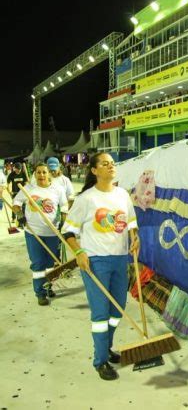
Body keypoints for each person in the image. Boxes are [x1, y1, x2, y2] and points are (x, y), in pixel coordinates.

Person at [61, 153, 139, 381]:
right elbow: (69, 232)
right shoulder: (86, 199)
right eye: (105, 163)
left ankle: (107, 347)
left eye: (112, 163)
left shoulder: (122, 194)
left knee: (117, 309)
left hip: (120, 258)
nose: (111, 166)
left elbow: (131, 222)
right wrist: (79, 252)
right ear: (94, 170)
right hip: (95, 261)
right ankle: (100, 360)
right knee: (100, 312)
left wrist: (135, 237)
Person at [12, 163, 68, 305]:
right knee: (38, 263)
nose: (41, 175)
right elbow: (16, 202)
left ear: (49, 173)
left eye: (44, 172)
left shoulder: (58, 189)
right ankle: (40, 293)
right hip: (33, 232)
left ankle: (48, 287)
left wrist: (63, 220)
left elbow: (64, 206)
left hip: (52, 232)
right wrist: (19, 214)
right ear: (34, 174)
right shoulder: (28, 188)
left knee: (50, 264)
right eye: (38, 172)